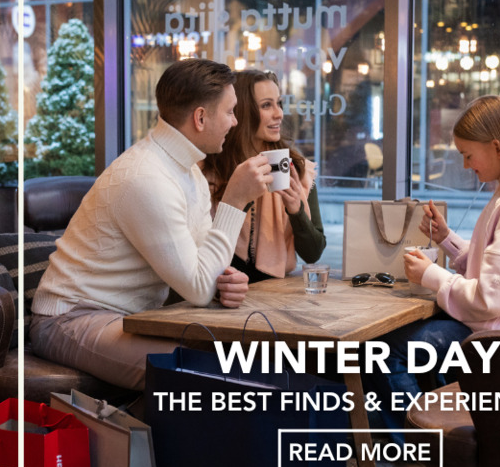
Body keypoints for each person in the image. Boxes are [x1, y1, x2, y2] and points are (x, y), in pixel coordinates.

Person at [30, 59, 273, 390]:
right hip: (69, 319)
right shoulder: (145, 178)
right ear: (200, 118)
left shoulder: (189, 174)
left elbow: (204, 272)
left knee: (250, 356)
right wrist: (233, 202)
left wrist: (223, 281)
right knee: (207, 374)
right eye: (230, 111)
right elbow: (198, 289)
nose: (235, 122)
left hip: (129, 317)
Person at [367, 95, 500, 467]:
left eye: (468, 155)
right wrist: (447, 239)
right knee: (409, 343)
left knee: (385, 352)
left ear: (496, 147)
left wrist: (431, 276)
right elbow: (498, 272)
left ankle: (421, 455)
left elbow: (492, 297)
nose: (465, 165)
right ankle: (438, 443)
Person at [202, 69, 326, 282]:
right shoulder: (211, 169)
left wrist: (296, 211)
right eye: (266, 105)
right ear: (240, 111)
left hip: (276, 293)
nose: (278, 114)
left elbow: (313, 253)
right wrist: (241, 194)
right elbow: (205, 251)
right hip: (221, 290)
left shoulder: (296, 167)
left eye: (279, 103)